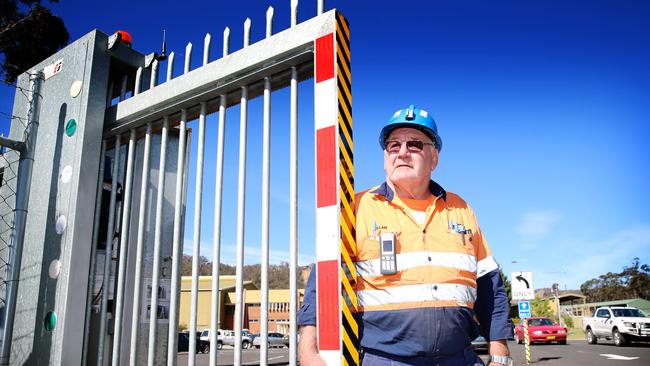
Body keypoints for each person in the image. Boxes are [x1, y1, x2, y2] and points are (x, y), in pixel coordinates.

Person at [298, 105, 512, 366]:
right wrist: (308, 349)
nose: (402, 152)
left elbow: (490, 286)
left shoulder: (461, 208)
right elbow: (322, 283)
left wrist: (500, 355)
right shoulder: (356, 208)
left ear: (434, 157)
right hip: (386, 359)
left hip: (460, 357)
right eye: (393, 145)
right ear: (385, 156)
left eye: (414, 145)